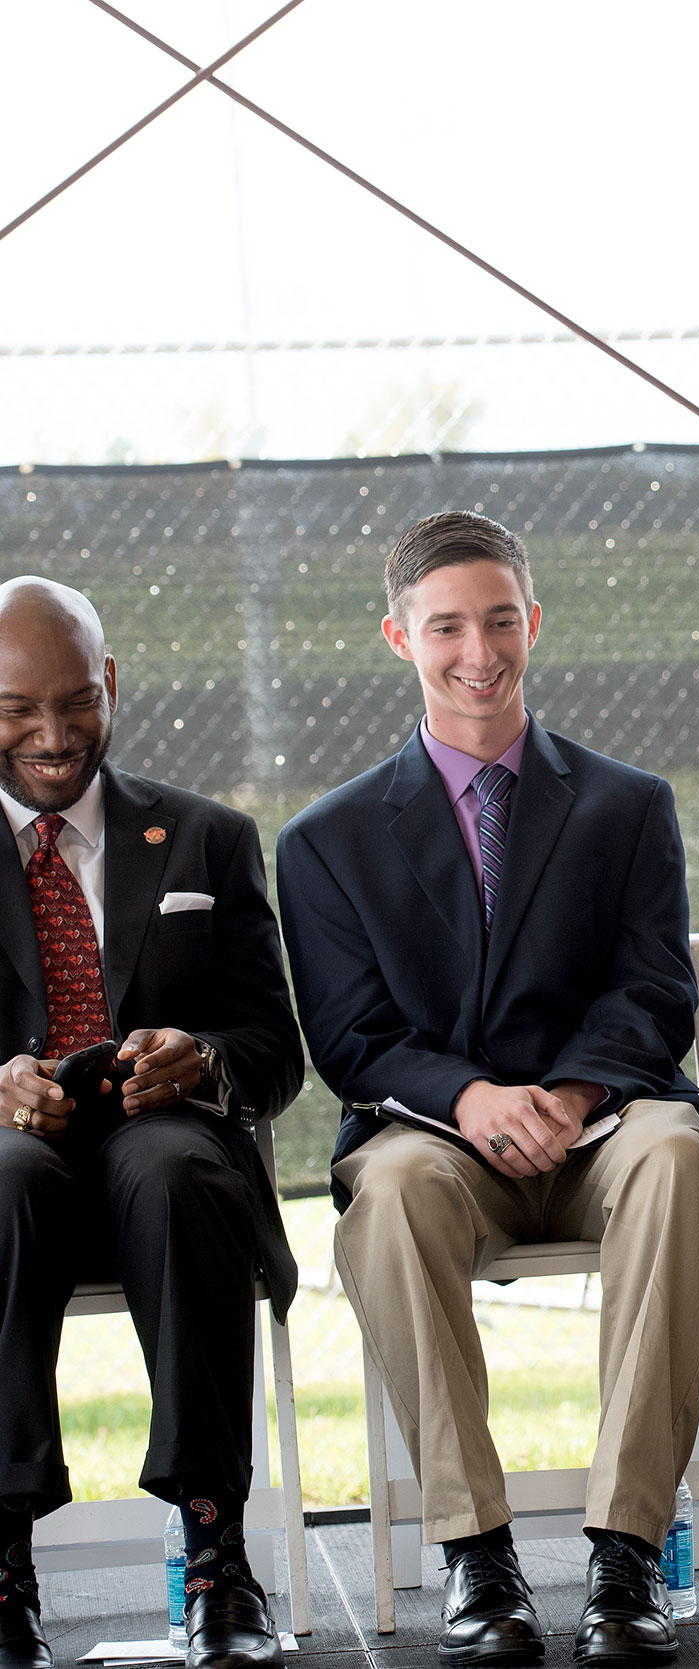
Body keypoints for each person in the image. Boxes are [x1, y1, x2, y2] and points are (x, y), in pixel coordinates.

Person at [276, 513, 699, 1668]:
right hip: (433, 1135)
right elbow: (349, 1037)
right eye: (445, 627)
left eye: (497, 620)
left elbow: (654, 993)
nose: (475, 651)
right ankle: (477, 1554)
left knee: (681, 1157)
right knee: (388, 1197)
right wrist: (472, 1097)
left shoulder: (627, 804)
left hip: (602, 1123)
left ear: (533, 622)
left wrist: (571, 1096)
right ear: (398, 637)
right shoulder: (326, 840)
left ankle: (627, 1550)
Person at [0, 578, 302, 1669]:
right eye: (15, 708)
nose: (51, 733)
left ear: (111, 684)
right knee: (7, 1178)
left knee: (174, 1171)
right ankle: (1, 1554)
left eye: (76, 700)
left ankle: (214, 1552)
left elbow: (276, 1053)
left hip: (161, 1148)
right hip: (14, 1171)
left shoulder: (208, 839)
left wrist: (204, 1059)